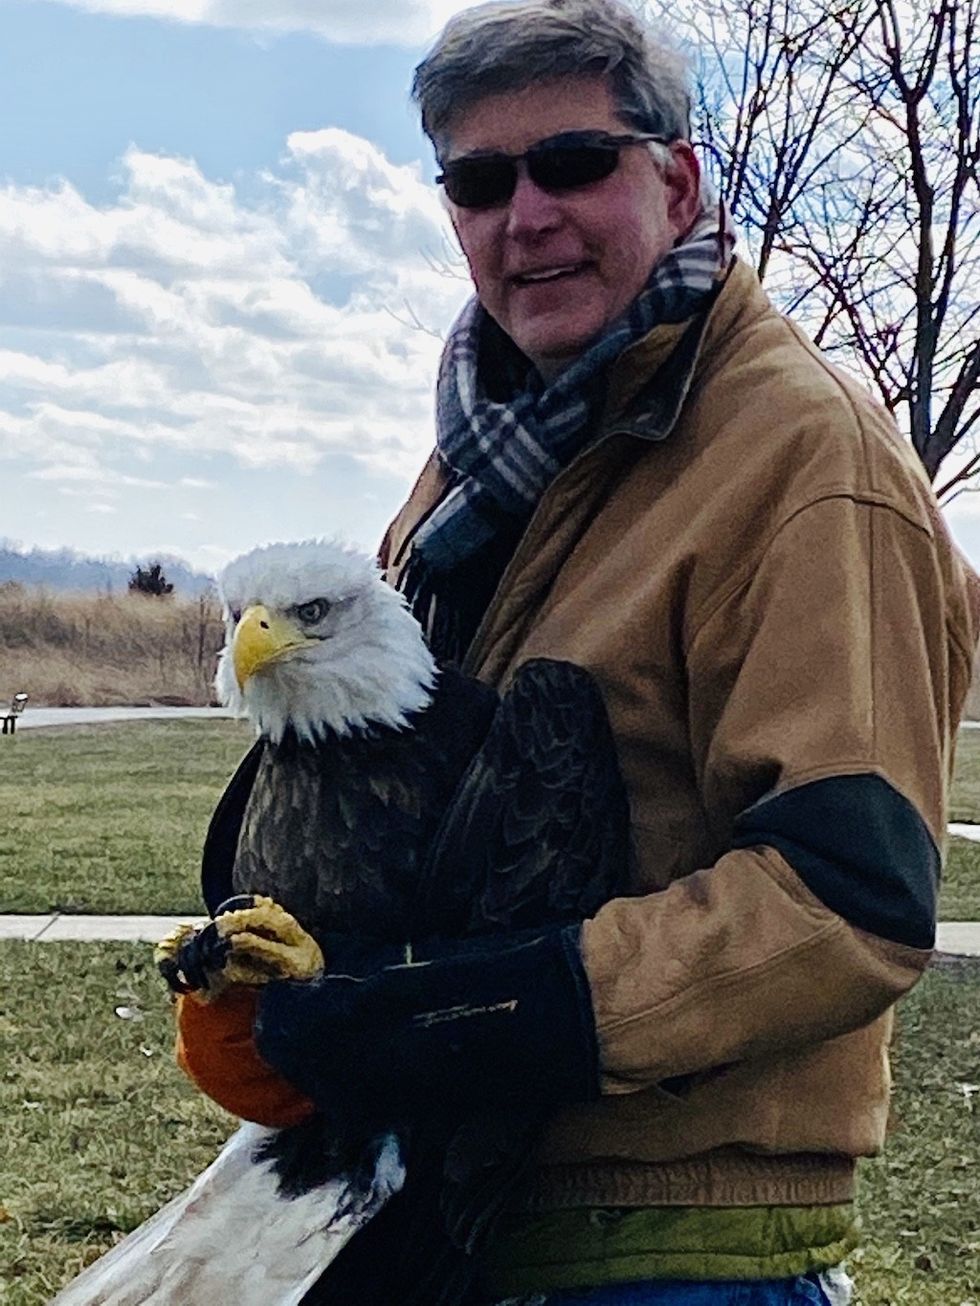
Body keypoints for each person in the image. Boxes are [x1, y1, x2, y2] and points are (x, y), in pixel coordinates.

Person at [180, 1, 979, 1302]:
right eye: (481, 181)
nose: (525, 213)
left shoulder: (804, 458)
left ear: (674, 176)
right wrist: (291, 997)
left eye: (572, 162)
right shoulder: (482, 456)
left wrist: (489, 1008)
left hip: (670, 1244)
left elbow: (850, 901)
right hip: (449, 1215)